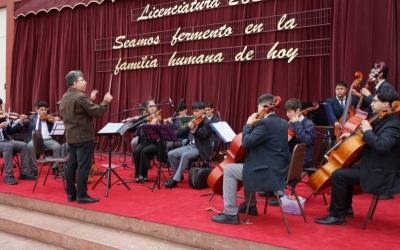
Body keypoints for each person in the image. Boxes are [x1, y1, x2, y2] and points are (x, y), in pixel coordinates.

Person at [315, 88, 400, 226]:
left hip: (380, 173)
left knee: (338, 175)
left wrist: (367, 131)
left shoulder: (392, 125)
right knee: (346, 165)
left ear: (385, 105)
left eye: (375, 101)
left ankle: (336, 215)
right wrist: (352, 135)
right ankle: (345, 208)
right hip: (373, 165)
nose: (371, 104)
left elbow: (382, 145)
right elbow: (372, 138)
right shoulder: (382, 118)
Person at [211, 94, 290, 224]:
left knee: (229, 170)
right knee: (249, 163)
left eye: (258, 108)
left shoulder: (265, 123)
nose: (256, 111)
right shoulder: (282, 122)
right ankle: (250, 206)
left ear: (265, 107)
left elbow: (246, 142)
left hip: (266, 173)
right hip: (278, 170)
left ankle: (230, 213)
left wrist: (248, 123)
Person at [59, 70, 112, 204]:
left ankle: (71, 194)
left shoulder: (65, 96)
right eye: (82, 80)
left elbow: (79, 111)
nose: (85, 82)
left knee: (72, 165)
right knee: (84, 166)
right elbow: (98, 111)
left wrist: (91, 100)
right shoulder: (80, 97)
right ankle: (82, 195)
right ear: (75, 83)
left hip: (71, 136)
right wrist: (105, 101)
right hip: (83, 137)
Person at [267, 98, 316, 206]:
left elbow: (306, 140)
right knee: (272, 157)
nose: (287, 114)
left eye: (290, 112)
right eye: (286, 112)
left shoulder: (309, 124)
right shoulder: (292, 123)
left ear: (298, 111)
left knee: (279, 161)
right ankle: (272, 187)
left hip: (302, 158)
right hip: (291, 154)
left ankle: (280, 194)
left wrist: (297, 124)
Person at [164, 101, 212, 188]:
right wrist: (170, 135)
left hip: (199, 148)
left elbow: (202, 136)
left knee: (185, 155)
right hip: (190, 145)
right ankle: (178, 176)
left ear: (203, 111)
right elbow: (183, 131)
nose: (194, 113)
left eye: (197, 111)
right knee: (171, 154)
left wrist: (193, 129)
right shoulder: (193, 120)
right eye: (193, 111)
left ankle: (175, 180)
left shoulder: (207, 122)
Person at [22, 100, 67, 176]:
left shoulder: (50, 118)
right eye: (41, 110)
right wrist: (22, 120)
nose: (44, 112)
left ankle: (55, 168)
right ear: (37, 110)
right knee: (29, 146)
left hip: (48, 139)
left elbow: (58, 129)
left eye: (45, 110)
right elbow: (23, 125)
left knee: (58, 147)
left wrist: (57, 121)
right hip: (35, 139)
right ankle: (34, 169)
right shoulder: (32, 118)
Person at [133, 97, 166, 181]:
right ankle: (138, 174)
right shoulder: (145, 118)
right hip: (145, 142)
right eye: (150, 106)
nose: (152, 108)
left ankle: (143, 175)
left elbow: (162, 133)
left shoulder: (159, 118)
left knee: (144, 151)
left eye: (154, 106)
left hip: (155, 143)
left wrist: (155, 125)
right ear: (147, 107)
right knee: (137, 150)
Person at [1, 118, 37, 185]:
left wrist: (20, 122)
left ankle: (24, 173)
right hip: (3, 144)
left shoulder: (2, 119)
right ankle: (8, 176)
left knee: (24, 145)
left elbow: (11, 131)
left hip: (6, 140)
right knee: (8, 146)